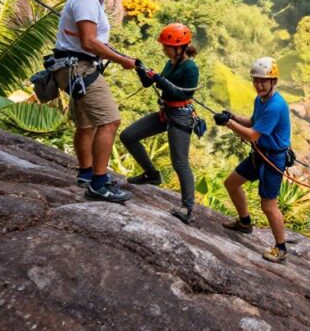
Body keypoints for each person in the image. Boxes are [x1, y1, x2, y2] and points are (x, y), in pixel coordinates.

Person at [53, 0, 137, 203]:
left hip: (72, 66)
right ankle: (99, 184)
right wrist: (122, 61)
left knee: (87, 123)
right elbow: (89, 42)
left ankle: (86, 174)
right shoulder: (86, 1)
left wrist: (120, 55)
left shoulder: (90, 2)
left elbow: (92, 40)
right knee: (110, 121)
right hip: (80, 67)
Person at [120, 23, 200, 224]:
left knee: (180, 162)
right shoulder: (171, 62)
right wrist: (140, 68)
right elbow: (150, 83)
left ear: (180, 47)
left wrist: (159, 79)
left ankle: (188, 209)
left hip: (181, 116)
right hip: (166, 112)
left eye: (167, 47)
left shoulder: (190, 67)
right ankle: (151, 174)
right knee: (128, 136)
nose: (164, 49)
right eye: (164, 46)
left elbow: (183, 93)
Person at [215, 57, 292, 264]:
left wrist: (229, 123)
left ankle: (281, 248)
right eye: (256, 80)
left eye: (263, 81)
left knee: (268, 205)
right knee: (231, 183)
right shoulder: (261, 100)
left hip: (273, 159)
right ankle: (245, 222)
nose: (258, 85)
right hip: (261, 154)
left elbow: (252, 134)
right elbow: (252, 122)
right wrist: (232, 116)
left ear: (273, 82)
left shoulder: (276, 105)